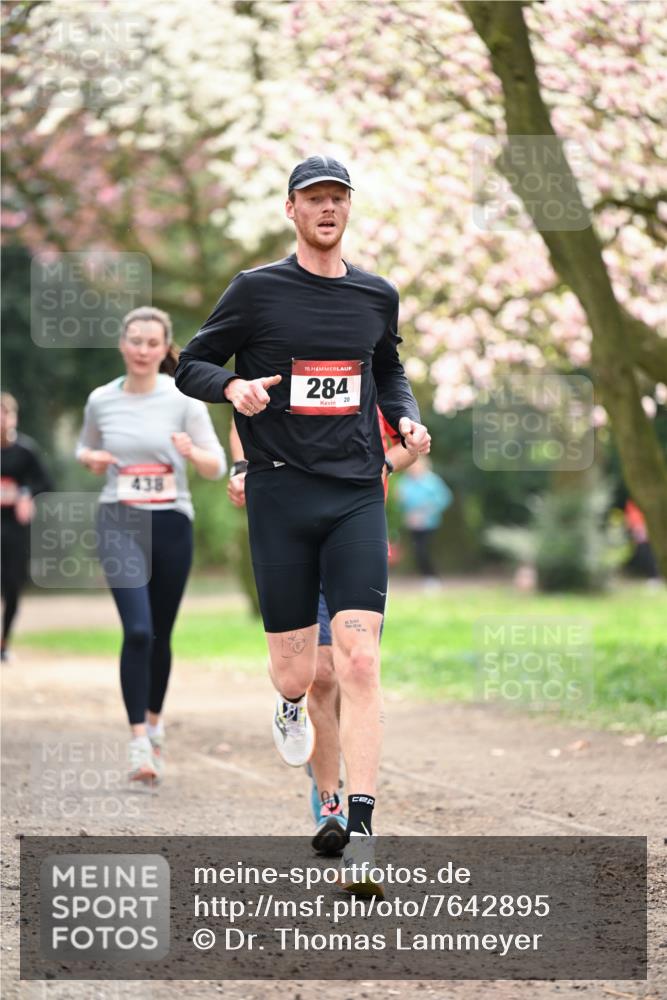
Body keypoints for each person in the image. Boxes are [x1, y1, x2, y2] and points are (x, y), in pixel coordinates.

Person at [175, 155, 430, 894]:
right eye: (314, 199)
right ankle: (287, 706)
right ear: (291, 209)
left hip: (354, 490)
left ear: (348, 209)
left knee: (357, 663)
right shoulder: (255, 291)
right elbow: (191, 363)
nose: (327, 209)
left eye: (338, 199)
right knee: (298, 671)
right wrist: (233, 385)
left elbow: (387, 372)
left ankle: (361, 827)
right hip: (281, 496)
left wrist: (406, 420)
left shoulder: (375, 294)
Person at [227, 409, 417, 857]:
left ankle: (357, 816)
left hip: (352, 534)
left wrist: (382, 464)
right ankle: (329, 803)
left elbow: (410, 445)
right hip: (294, 532)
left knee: (356, 667)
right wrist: (243, 469)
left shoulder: (376, 379)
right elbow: (243, 415)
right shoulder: (294, 368)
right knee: (321, 674)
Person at [76, 307, 226, 784]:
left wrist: (192, 452)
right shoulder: (101, 399)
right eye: (135, 340)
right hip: (118, 519)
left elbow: (216, 466)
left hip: (172, 523)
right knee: (138, 630)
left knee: (160, 632)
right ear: (123, 344)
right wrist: (93, 458)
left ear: (165, 349)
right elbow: (84, 446)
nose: (142, 350)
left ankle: (155, 726)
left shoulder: (183, 399)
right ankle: (138, 739)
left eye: (151, 342)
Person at [1, 393, 53, 661]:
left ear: (13, 418)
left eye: (5, 414)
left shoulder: (25, 451)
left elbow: (46, 482)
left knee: (12, 586)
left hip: (14, 529)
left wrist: (26, 493)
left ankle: (4, 642)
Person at [396, 457, 451, 584]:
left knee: (424, 550)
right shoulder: (405, 482)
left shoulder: (432, 481)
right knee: (417, 551)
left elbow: (444, 499)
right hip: (412, 523)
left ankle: (432, 577)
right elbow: (402, 503)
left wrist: (427, 510)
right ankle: (427, 577)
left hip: (429, 523)